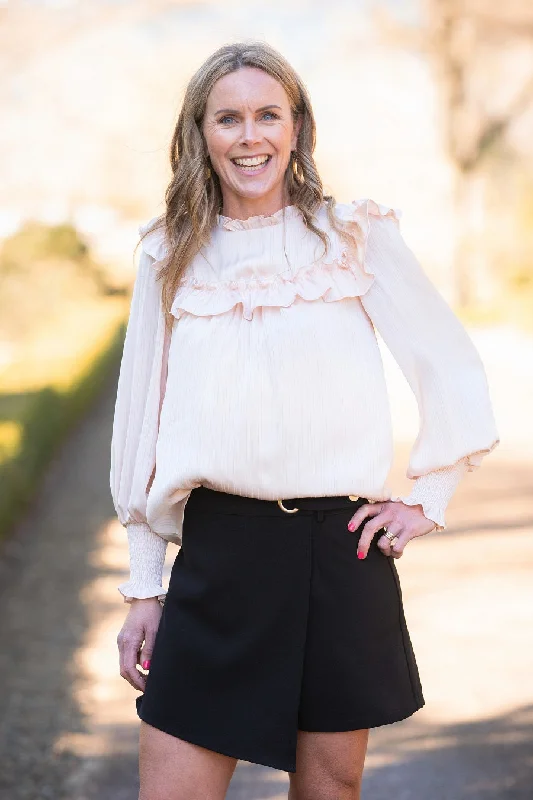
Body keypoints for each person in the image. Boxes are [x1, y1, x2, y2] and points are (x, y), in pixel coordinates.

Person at [110, 40, 499, 800]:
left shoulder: (353, 237)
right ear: (200, 132)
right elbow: (139, 424)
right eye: (228, 118)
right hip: (218, 557)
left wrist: (429, 497)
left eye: (267, 115)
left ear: (296, 128)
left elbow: (447, 365)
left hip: (336, 555)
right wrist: (142, 588)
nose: (249, 135)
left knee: (328, 788)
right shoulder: (168, 255)